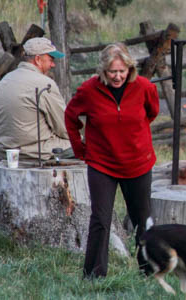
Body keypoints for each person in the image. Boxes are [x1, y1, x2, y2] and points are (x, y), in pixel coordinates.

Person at [65, 43, 159, 278]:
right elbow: (70, 116)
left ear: (129, 68)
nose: (117, 76)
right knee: (100, 219)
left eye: (122, 71)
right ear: (103, 71)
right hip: (102, 164)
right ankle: (94, 275)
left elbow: (152, 112)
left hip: (138, 163)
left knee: (143, 218)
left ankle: (148, 271)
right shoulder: (88, 90)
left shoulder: (144, 87)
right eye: (112, 72)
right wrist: (80, 148)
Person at [0, 37, 72, 161]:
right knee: (85, 147)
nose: (53, 64)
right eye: (51, 59)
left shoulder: (4, 81)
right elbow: (66, 128)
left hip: (5, 154)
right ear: (38, 59)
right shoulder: (44, 84)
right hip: (36, 153)